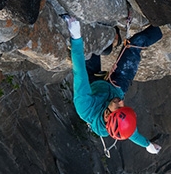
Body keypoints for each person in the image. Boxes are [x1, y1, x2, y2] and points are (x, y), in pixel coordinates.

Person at [64, 14, 162, 155]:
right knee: (135, 43)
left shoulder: (85, 107)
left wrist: (76, 37)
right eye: (124, 106)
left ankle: (109, 43)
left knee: (89, 41)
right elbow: (132, 133)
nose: (122, 102)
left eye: (119, 107)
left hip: (92, 82)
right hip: (116, 87)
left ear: (106, 116)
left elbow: (79, 71)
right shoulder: (120, 119)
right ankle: (161, 25)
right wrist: (147, 145)